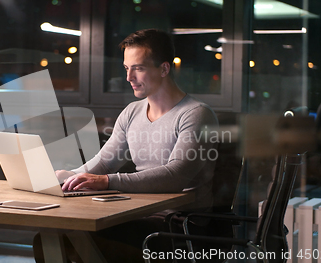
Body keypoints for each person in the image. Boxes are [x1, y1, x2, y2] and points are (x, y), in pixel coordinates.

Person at [34, 28, 219, 262]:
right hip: (139, 214)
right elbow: (104, 162)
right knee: (49, 238)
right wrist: (69, 176)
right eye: (126, 68)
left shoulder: (196, 114)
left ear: (164, 68)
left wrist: (108, 181)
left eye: (138, 68)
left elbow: (177, 175)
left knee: (75, 240)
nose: (129, 77)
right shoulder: (133, 111)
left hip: (177, 228)